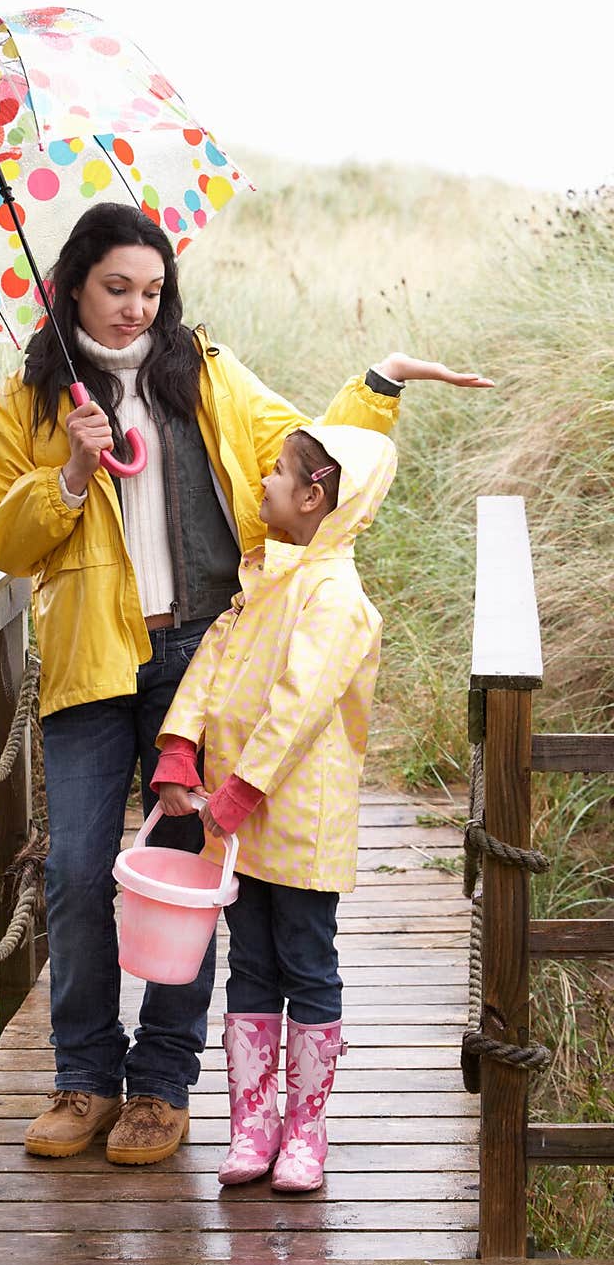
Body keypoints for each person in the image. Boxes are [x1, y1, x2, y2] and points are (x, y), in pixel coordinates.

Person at [0, 199, 491, 1167]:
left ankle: (161, 1087)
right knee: (79, 875)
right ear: (73, 284)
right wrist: (71, 476)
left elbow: (301, 458)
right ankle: (85, 1076)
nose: (135, 308)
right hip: (91, 662)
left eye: (152, 289)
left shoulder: (200, 373)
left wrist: (376, 386)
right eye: (117, 288)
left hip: (199, 659)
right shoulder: (29, 401)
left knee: (187, 876)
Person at [151, 396, 489, 1190]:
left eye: (277, 470)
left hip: (294, 815)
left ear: (313, 496)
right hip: (237, 818)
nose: (264, 481)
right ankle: (251, 1125)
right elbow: (214, 663)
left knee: (306, 959)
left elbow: (299, 706)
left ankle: (305, 1130)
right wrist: (179, 744)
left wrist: (239, 790)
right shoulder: (269, 573)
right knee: (251, 964)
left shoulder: (336, 596)